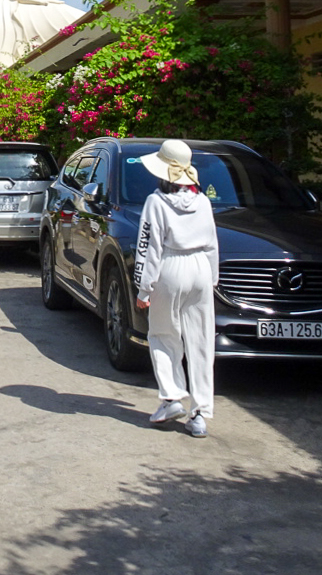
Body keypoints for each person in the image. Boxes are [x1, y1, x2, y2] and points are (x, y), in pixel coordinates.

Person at [132, 139, 219, 439]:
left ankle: (171, 398)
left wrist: (144, 290)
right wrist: (212, 280)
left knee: (162, 334)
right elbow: (211, 244)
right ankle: (199, 414)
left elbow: (148, 248)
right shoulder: (204, 202)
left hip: (171, 267)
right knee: (201, 340)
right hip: (200, 269)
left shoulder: (155, 202)